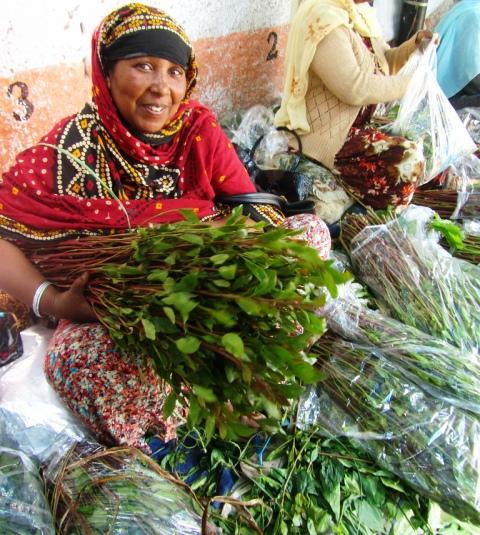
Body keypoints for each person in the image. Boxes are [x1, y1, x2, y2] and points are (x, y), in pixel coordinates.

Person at [0, 3, 331, 452]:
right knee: (75, 363)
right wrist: (55, 300)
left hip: (214, 291)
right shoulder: (69, 151)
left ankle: (236, 375)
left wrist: (244, 243)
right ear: (106, 72)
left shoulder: (197, 131)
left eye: (175, 72)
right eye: (143, 67)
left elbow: (251, 207)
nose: (162, 88)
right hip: (119, 312)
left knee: (309, 235)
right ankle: (189, 407)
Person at [275, 0, 437, 210]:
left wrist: (413, 47)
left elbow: (383, 63)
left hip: (358, 127)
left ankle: (367, 203)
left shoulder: (357, 13)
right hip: (328, 137)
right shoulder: (322, 19)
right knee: (407, 161)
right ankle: (370, 213)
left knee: (425, 144)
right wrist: (412, 83)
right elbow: (354, 87)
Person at [435, 0, 480, 110]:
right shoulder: (473, 17)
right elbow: (468, 76)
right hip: (445, 94)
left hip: (452, 86)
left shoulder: (470, 5)